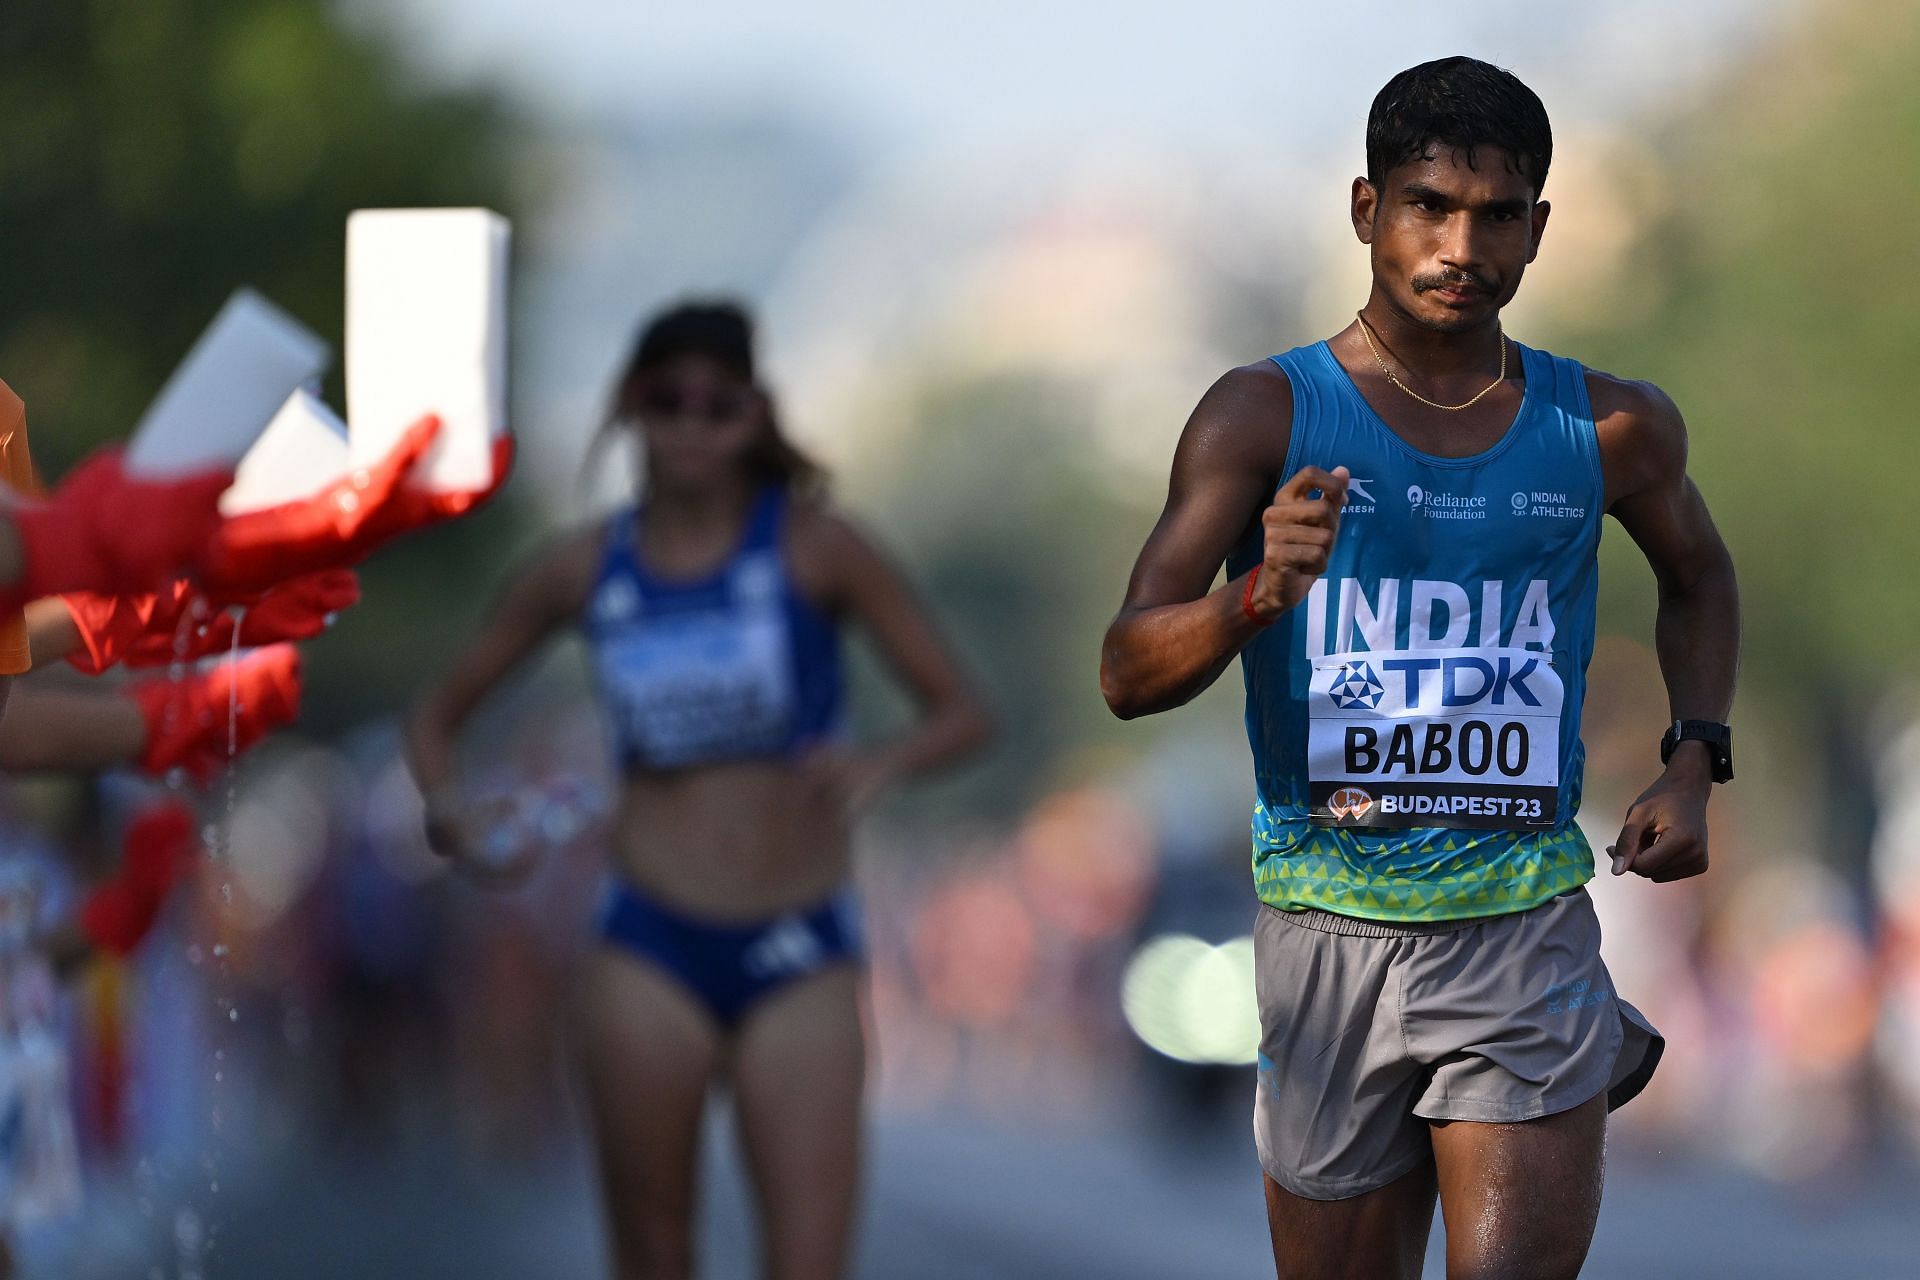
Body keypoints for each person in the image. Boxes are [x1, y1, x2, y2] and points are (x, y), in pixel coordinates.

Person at [1100, 57, 1739, 1280]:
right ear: (1365, 210)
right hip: (1323, 922)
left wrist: (1694, 755)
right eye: (1428, 206)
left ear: (1540, 228)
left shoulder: (1606, 427)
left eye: (1497, 215)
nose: (1461, 245)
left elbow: (1701, 574)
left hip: (1519, 920)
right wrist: (1255, 595)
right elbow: (1128, 667)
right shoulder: (1263, 415)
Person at [406, 300, 991, 1280]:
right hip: (649, 940)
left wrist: (879, 761)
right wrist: (452, 811)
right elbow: (437, 715)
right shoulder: (583, 566)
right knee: (655, 1253)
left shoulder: (818, 547)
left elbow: (965, 710)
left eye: (716, 404)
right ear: (632, 406)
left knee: (807, 1262)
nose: (689, 423)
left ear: (755, 414)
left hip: (798, 941)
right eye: (667, 400)